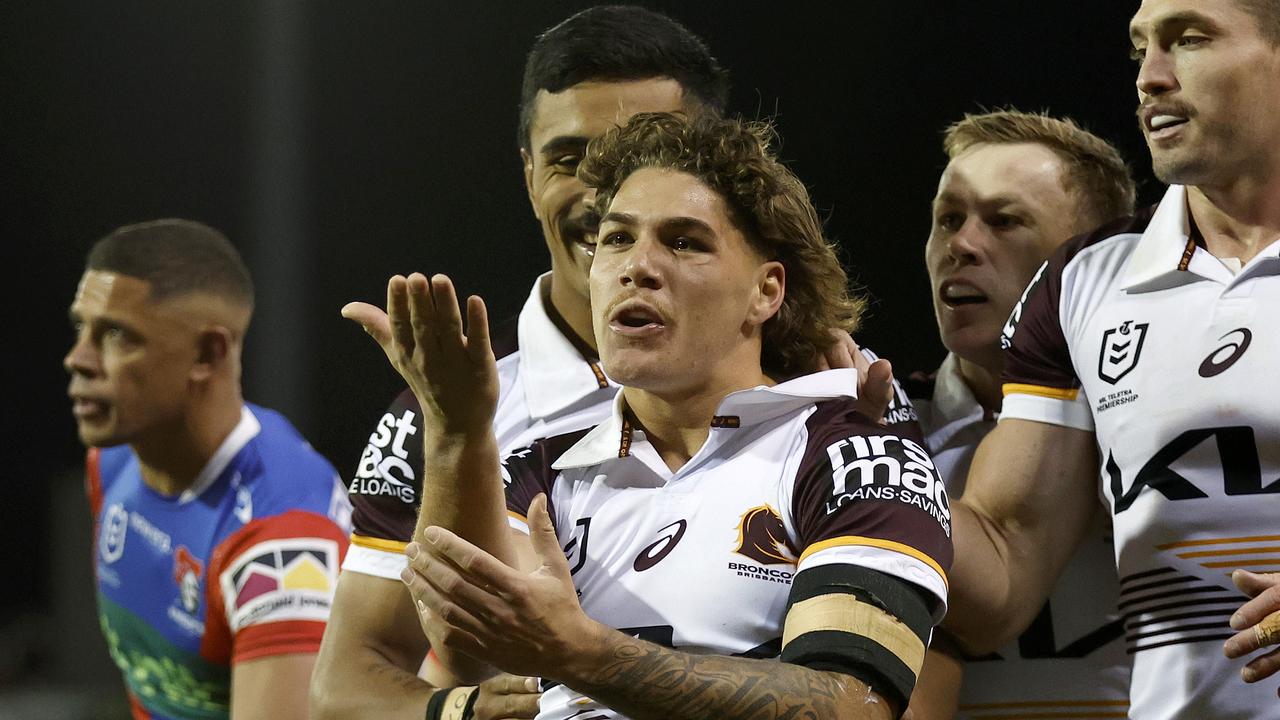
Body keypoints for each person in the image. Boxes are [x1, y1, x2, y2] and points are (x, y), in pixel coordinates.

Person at [355, 111, 953, 720]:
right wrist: (457, 431)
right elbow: (468, 647)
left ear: (766, 291)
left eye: (684, 241)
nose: (636, 265)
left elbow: (854, 705)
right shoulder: (542, 469)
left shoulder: (855, 457)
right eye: (616, 238)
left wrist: (586, 655)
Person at [309, 7, 733, 719]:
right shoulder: (439, 412)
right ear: (529, 175)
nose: (606, 197)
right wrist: (459, 712)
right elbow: (348, 682)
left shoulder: (808, 384)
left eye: (642, 156)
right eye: (570, 161)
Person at [934, 1, 1280, 717]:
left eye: (1188, 40)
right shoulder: (1082, 282)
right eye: (1140, 49)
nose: (1150, 78)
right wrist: (847, 445)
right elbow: (1000, 567)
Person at [65, 219, 351, 720]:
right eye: (80, 329)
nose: (78, 359)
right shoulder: (113, 457)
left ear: (207, 353)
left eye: (115, 334)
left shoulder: (281, 543)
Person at [905, 110, 1136, 719]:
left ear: (1094, 259)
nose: (961, 245)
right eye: (947, 220)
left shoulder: (1174, 424)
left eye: (1004, 221)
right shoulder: (867, 428)